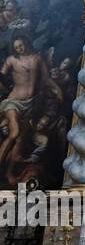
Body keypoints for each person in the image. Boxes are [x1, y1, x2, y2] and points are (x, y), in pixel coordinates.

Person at [0, 35, 51, 178]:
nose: (19, 49)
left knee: (20, 140)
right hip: (13, 102)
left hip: (30, 104)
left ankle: (9, 173)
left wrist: (57, 89)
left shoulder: (37, 58)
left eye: (21, 45)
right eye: (16, 47)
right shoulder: (12, 59)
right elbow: (1, 75)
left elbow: (46, 79)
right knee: (14, 133)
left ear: (26, 43)